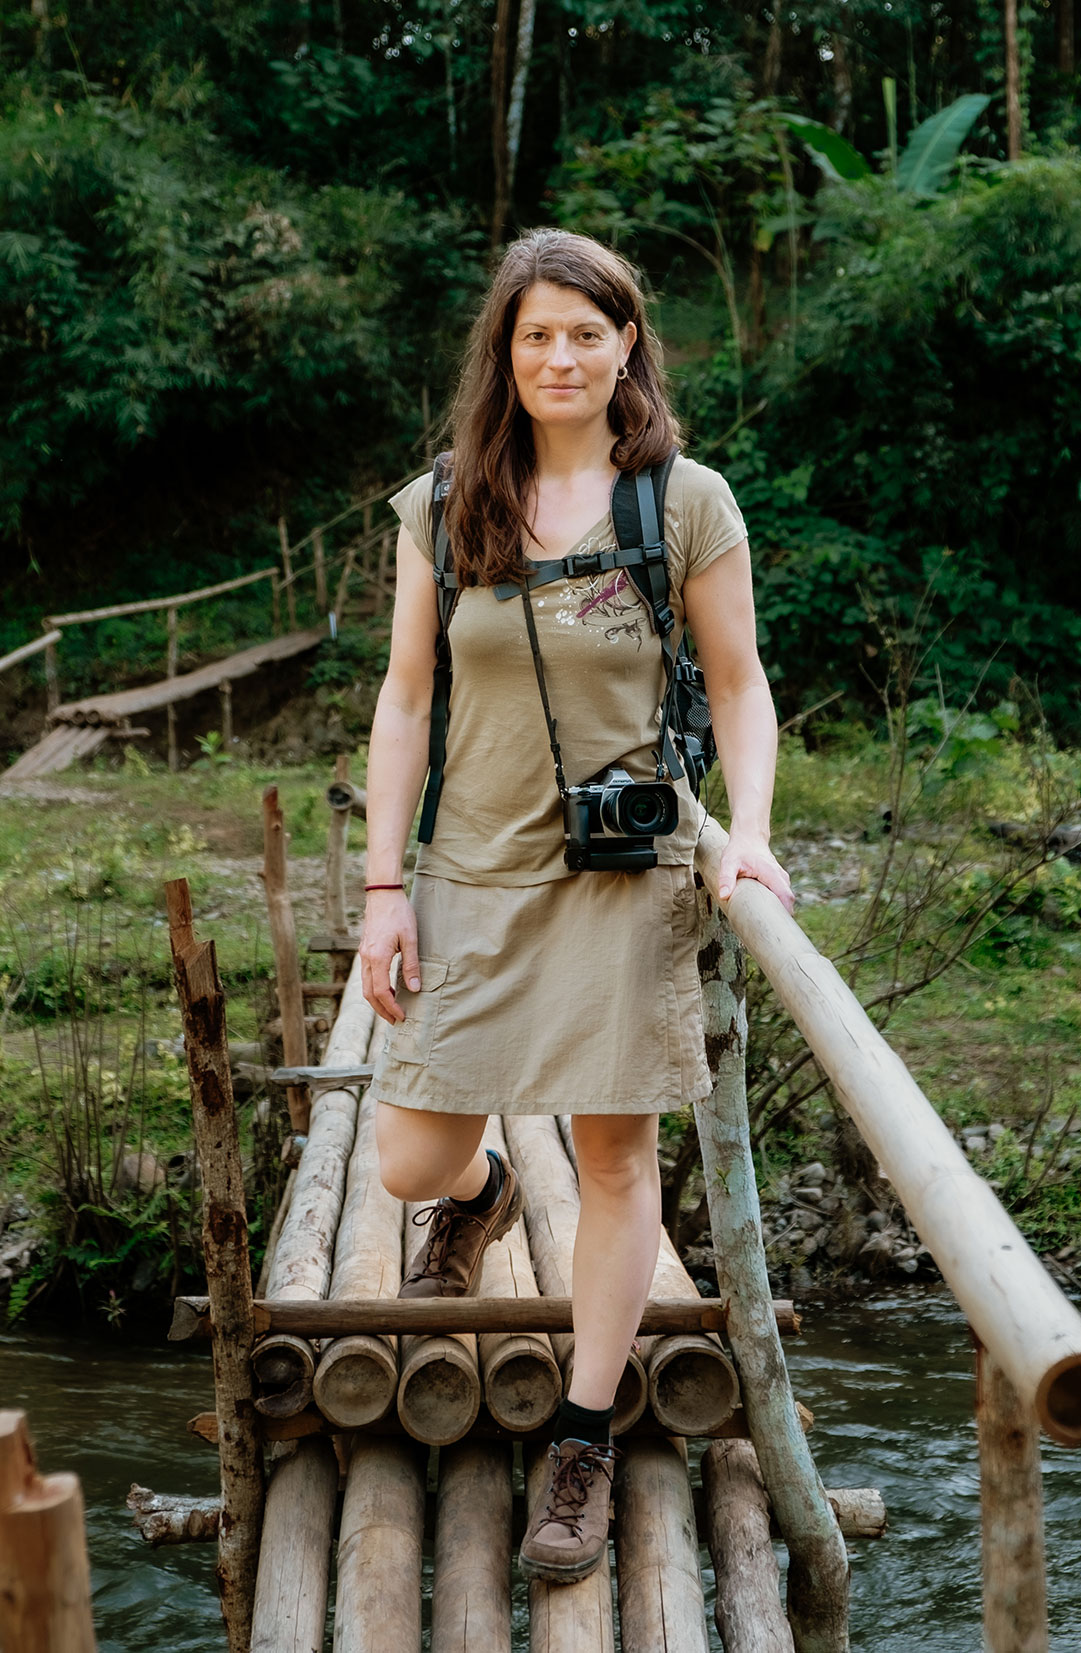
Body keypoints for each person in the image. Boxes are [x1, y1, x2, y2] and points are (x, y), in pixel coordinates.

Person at [357, 227, 794, 1583]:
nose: (562, 355)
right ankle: (482, 1194)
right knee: (408, 1163)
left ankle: (585, 1437)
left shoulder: (684, 502)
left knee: (616, 1166)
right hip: (471, 874)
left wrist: (752, 842)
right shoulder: (441, 505)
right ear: (506, 348)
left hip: (624, 878)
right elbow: (409, 697)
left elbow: (741, 686)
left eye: (586, 333)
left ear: (625, 348)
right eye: (537, 333)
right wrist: (384, 886)